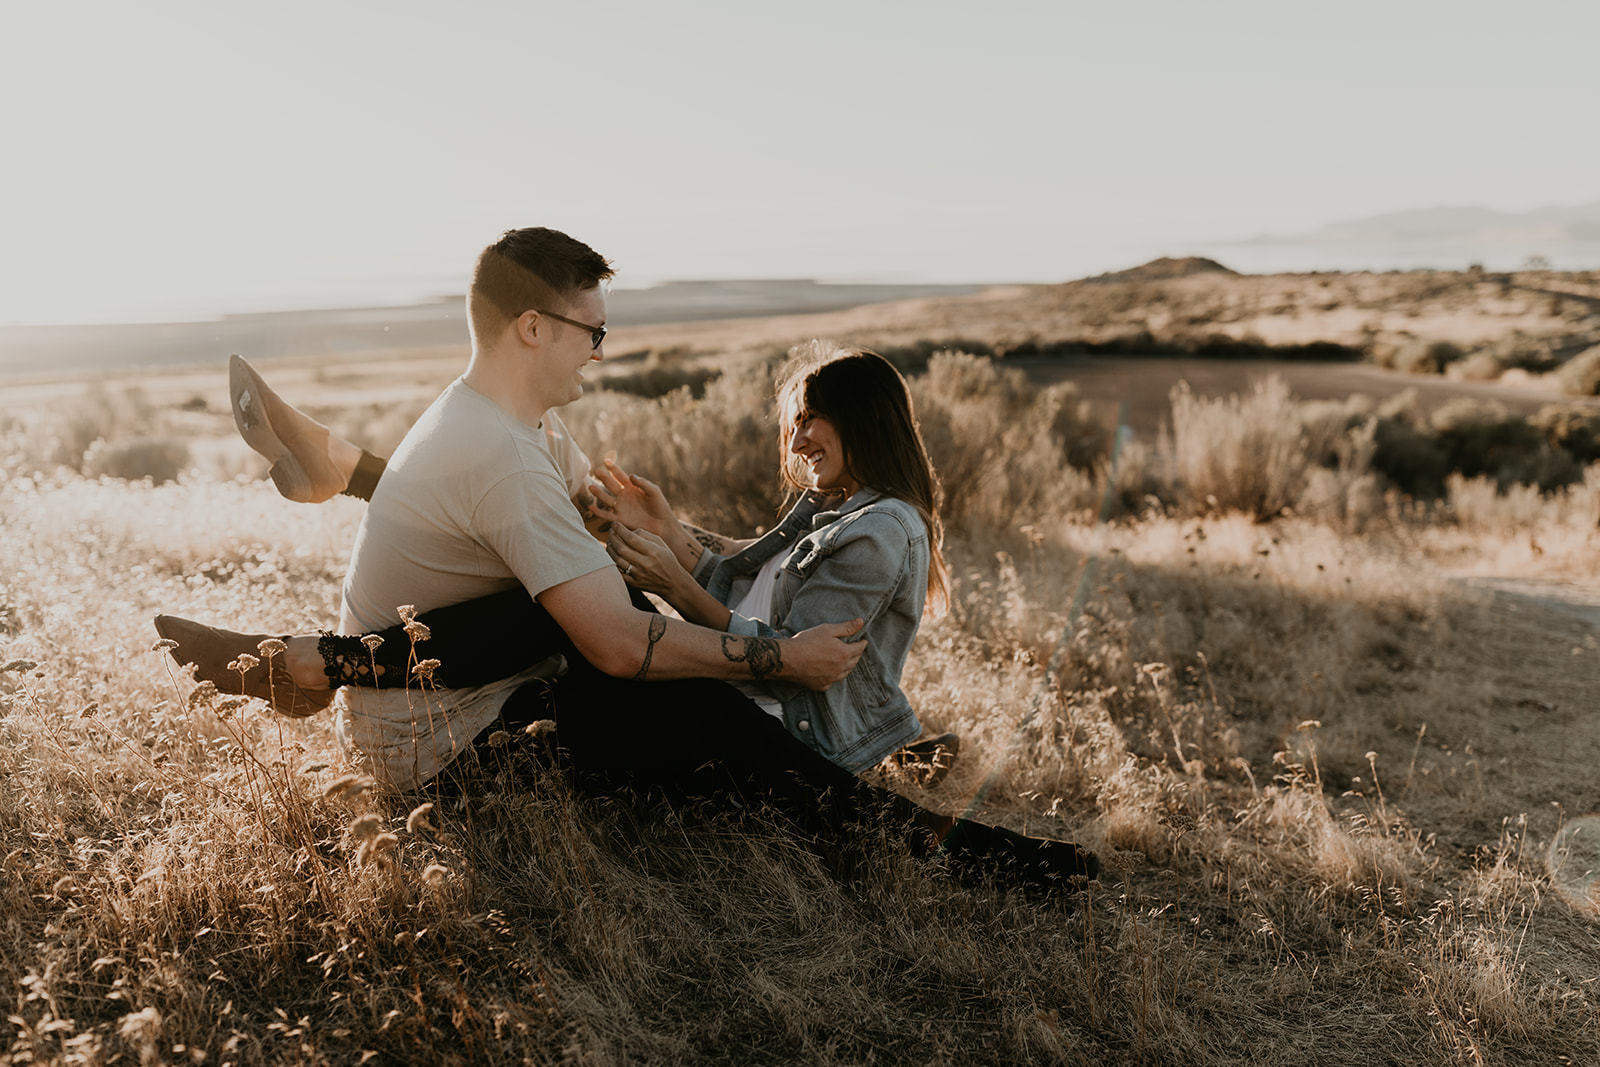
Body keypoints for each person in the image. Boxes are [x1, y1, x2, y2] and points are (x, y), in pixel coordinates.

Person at [157, 226, 1093, 887]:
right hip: (437, 747)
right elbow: (613, 641)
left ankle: (322, 600)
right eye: (590, 331)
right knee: (684, 702)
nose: (599, 352)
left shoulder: (511, 424)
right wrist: (775, 655)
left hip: (461, 682)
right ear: (534, 326)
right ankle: (947, 850)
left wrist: (664, 535)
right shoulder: (503, 454)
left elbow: (592, 529)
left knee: (578, 597)